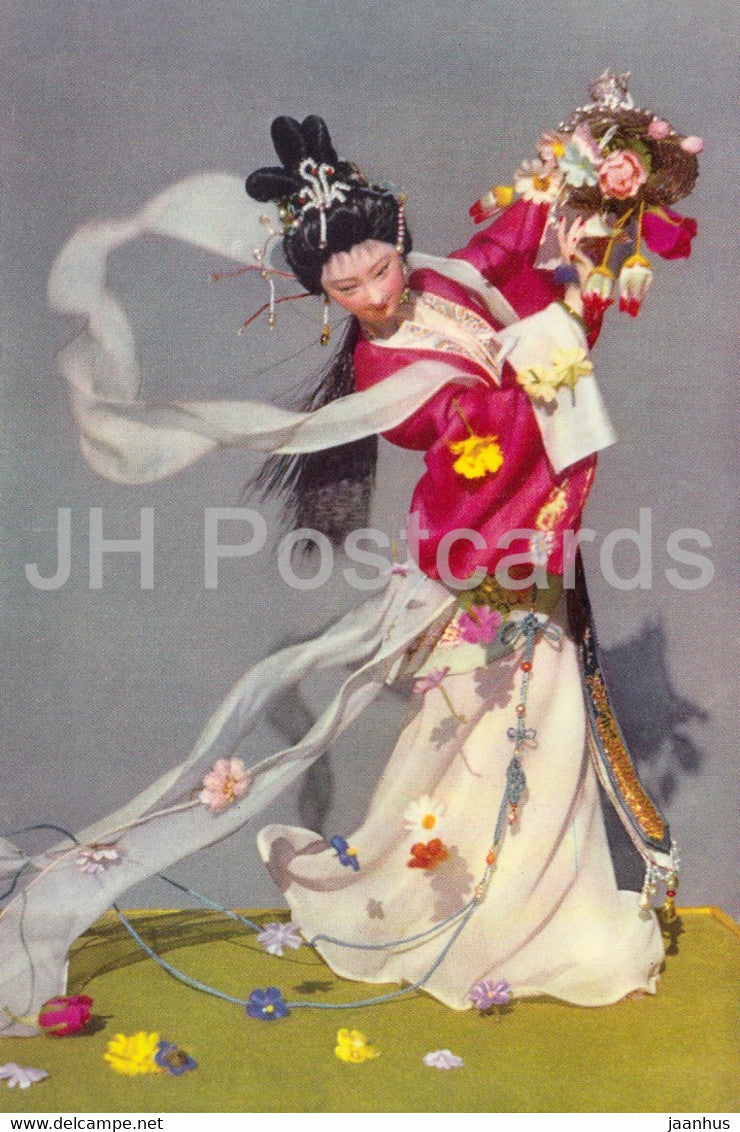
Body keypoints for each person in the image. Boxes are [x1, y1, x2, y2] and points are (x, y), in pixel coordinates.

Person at [0, 76, 698, 1032]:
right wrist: (572, 308)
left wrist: (571, 182)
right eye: (347, 288)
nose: (375, 295)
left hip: (516, 543)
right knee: (492, 730)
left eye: (382, 270)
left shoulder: (440, 283)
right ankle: (474, 914)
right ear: (321, 295)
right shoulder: (381, 366)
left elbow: (500, 250)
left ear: (400, 241)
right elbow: (492, 418)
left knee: (523, 731)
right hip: (481, 549)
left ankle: (532, 909)